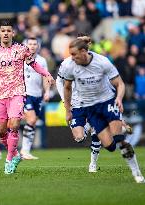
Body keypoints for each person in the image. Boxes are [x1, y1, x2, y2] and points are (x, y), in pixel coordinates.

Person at [62, 36, 145, 183]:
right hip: (90, 108)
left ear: (83, 51)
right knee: (110, 147)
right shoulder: (70, 66)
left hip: (107, 102)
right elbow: (67, 88)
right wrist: (68, 110)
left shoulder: (102, 62)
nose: (72, 57)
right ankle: (120, 128)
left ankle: (137, 173)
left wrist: (119, 98)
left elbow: (119, 83)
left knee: (119, 140)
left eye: (74, 54)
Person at [0, 20, 54, 174]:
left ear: (13, 33)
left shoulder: (21, 49)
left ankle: (8, 161)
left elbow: (34, 64)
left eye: (9, 30)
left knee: (13, 125)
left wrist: (46, 74)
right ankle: (14, 154)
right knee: (0, 131)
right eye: (3, 31)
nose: (6, 33)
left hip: (17, 93)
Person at [20, 37, 51, 160]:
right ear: (25, 45)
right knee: (31, 120)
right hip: (24, 94)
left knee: (32, 123)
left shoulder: (42, 60)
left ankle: (25, 151)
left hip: (37, 95)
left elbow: (45, 77)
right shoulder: (20, 59)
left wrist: (47, 92)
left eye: (34, 44)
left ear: (38, 46)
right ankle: (23, 150)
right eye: (30, 44)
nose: (32, 46)